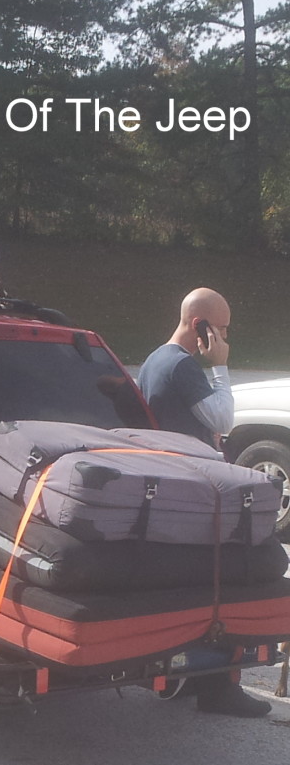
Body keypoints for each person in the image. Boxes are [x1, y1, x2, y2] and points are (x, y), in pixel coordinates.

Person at [138, 287, 271, 718]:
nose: (227, 337)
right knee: (226, 585)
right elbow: (223, 418)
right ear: (202, 327)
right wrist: (221, 366)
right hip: (194, 493)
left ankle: (195, 676)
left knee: (192, 589)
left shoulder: (155, 359)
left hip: (169, 490)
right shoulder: (182, 365)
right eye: (223, 329)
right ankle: (219, 688)